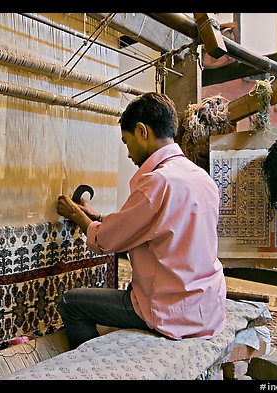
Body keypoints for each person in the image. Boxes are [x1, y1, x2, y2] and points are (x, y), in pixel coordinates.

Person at [56, 92, 227, 349]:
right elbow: (157, 223)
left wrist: (76, 214)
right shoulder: (200, 177)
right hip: (207, 305)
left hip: (170, 309)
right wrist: (98, 216)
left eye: (126, 142)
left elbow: (106, 240)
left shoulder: (157, 182)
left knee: (71, 303)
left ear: (141, 131)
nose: (127, 153)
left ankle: (94, 367)